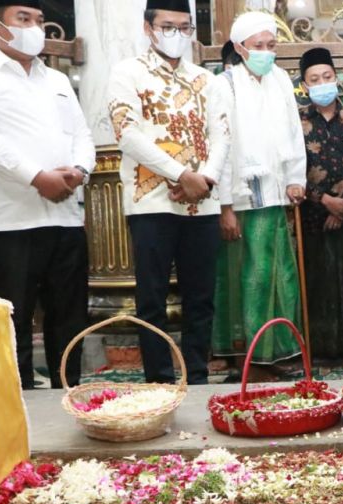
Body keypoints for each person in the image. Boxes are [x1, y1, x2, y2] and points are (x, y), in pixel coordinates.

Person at [0, 0, 95, 390]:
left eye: (39, 20)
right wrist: (36, 176)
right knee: (14, 321)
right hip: (10, 219)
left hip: (64, 217)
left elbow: (82, 134)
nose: (34, 27)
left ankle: (71, 396)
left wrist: (79, 171)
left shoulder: (57, 79)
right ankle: (19, 407)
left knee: (70, 317)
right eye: (23, 19)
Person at [107, 0, 231, 385]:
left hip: (203, 203)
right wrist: (181, 174)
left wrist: (204, 179)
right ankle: (159, 380)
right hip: (151, 204)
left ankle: (196, 377)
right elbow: (126, 132)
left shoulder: (208, 80)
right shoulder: (127, 73)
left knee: (201, 299)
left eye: (184, 27)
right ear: (148, 28)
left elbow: (222, 134)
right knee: (152, 300)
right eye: (168, 26)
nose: (176, 34)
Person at [214, 11, 306, 375]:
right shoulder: (225, 85)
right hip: (241, 200)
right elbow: (218, 147)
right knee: (248, 279)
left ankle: (279, 352)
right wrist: (224, 205)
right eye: (258, 46)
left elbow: (293, 131)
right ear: (239, 47)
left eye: (271, 46)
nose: (266, 52)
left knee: (280, 276)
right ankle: (248, 358)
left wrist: (296, 177)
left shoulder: (281, 79)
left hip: (276, 197)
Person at [298, 47, 343, 362]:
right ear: (304, 86)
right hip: (312, 216)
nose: (323, 82)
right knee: (318, 282)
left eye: (327, 76)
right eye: (315, 79)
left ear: (337, 79)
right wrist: (325, 201)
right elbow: (291, 168)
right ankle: (321, 350)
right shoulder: (296, 122)